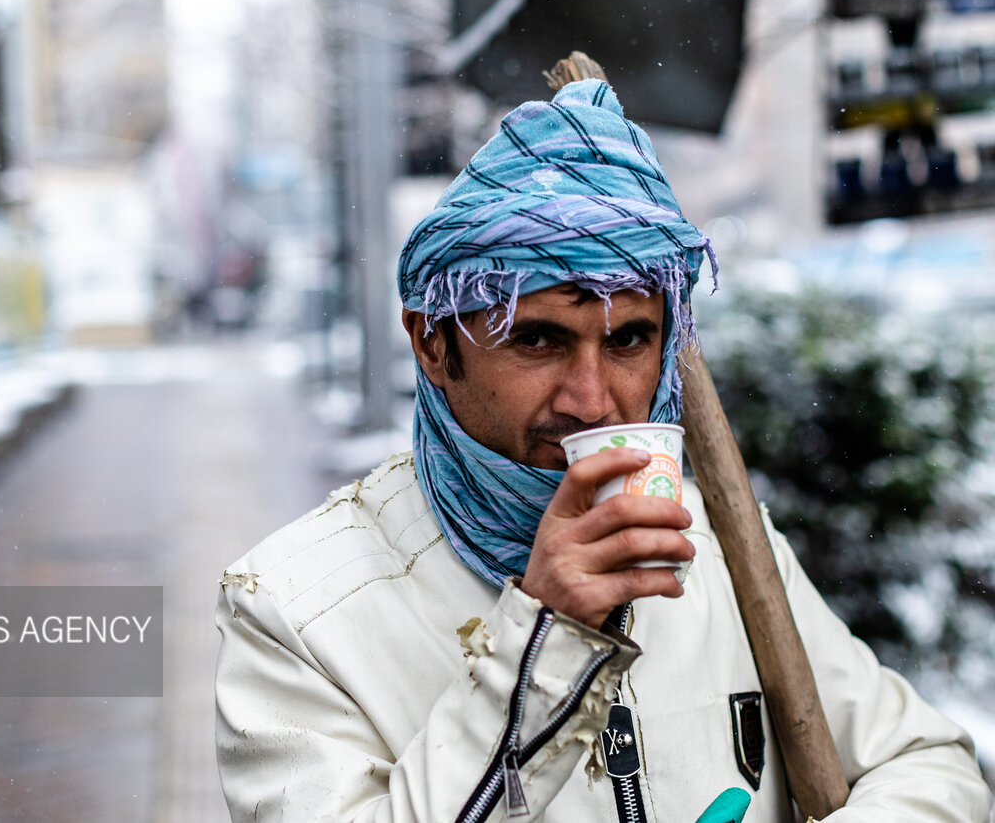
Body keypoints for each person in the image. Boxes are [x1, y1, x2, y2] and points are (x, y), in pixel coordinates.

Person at [214, 79, 993, 822]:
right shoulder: (294, 610)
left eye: (628, 339)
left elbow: (930, 763)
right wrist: (549, 640)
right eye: (538, 339)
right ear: (432, 343)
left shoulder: (721, 544)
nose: (592, 398)